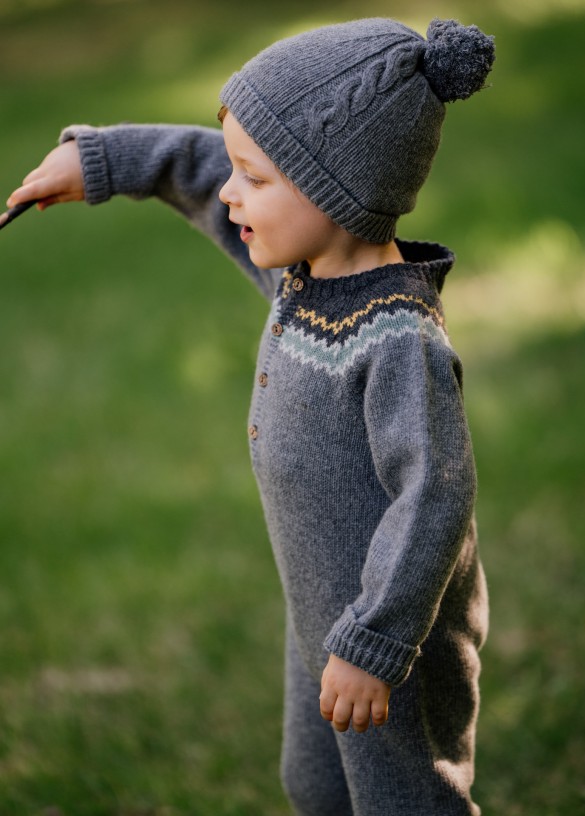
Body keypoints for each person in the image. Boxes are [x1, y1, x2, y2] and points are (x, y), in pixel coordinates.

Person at [7, 16, 495, 816]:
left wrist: (376, 642)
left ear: (340, 191)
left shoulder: (399, 340)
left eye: (255, 179)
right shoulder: (304, 272)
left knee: (403, 801)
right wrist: (100, 162)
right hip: (321, 614)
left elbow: (435, 495)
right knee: (316, 787)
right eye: (239, 172)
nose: (231, 192)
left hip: (391, 637)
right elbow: (203, 169)